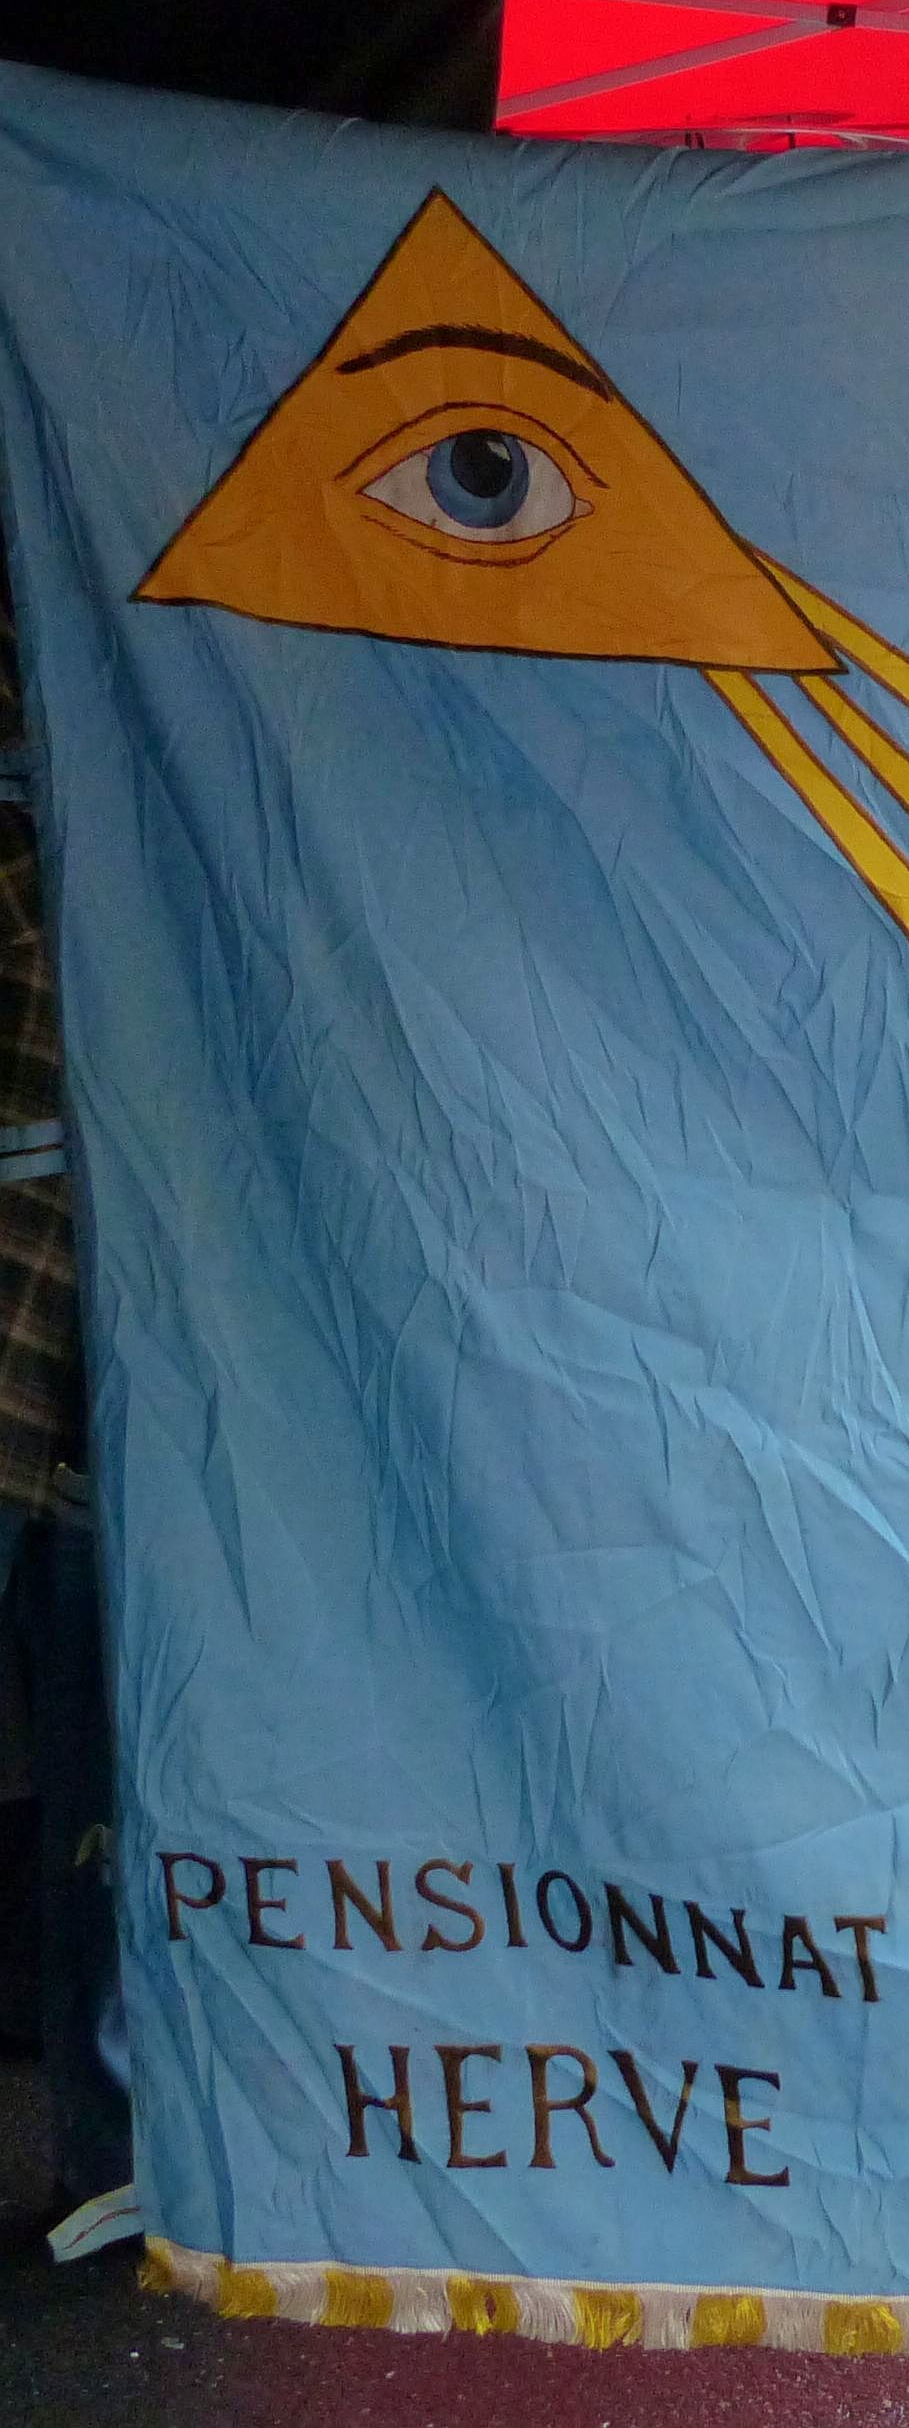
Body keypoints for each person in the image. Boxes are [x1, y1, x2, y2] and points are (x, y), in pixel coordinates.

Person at [0, 619, 134, 2261]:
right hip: (71, 1357)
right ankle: (107, 2136)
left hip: (94, 1374)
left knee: (105, 1795)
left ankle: (111, 2140)